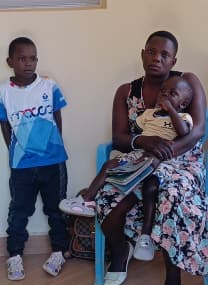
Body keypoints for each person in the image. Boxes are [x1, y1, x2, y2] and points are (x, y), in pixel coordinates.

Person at [93, 31, 208, 285]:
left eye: (164, 55)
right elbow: (119, 137)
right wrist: (142, 141)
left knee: (171, 196)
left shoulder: (188, 82)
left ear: (173, 61)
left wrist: (165, 153)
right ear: (142, 54)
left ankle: (173, 283)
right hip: (140, 158)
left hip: (181, 162)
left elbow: (197, 131)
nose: (157, 58)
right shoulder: (126, 92)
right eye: (151, 52)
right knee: (108, 196)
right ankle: (121, 249)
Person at [60, 75, 194, 265]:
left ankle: (145, 237)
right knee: (109, 165)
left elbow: (184, 132)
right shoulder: (149, 114)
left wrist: (172, 110)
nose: (165, 95)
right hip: (140, 154)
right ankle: (87, 200)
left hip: (163, 160)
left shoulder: (183, 117)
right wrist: (139, 141)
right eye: (163, 92)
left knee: (150, 187)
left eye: (172, 94)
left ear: (184, 103)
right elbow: (133, 132)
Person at [0, 36, 70, 280]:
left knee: (56, 208)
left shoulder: (48, 85)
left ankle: (59, 251)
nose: (28, 63)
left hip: (53, 161)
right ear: (10, 62)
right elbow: (4, 124)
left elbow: (57, 116)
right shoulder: (4, 90)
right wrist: (15, 150)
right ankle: (14, 255)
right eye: (22, 59)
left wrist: (53, 146)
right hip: (22, 163)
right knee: (19, 209)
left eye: (33, 58)